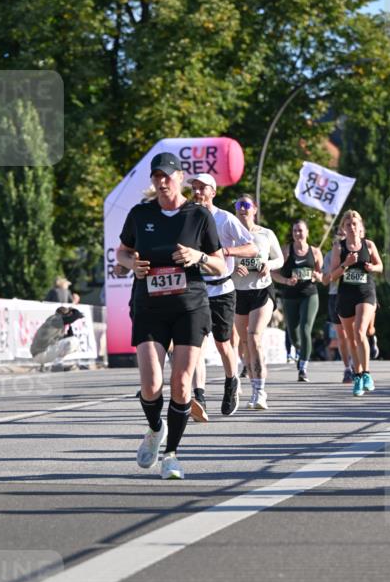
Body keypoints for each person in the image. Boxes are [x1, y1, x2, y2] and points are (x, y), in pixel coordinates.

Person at [116, 152, 226, 480]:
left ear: (180, 178)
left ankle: (172, 455)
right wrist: (130, 263)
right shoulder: (140, 214)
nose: (162, 182)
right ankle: (154, 429)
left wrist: (200, 256)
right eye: (156, 176)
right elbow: (122, 251)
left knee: (181, 384)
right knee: (150, 385)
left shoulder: (199, 216)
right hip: (149, 306)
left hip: (190, 306)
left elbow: (221, 265)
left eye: (167, 176)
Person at [189, 173, 256, 421]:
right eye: (194, 188)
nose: (197, 192)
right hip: (196, 289)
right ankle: (200, 395)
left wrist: (226, 251)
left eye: (202, 188)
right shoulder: (187, 217)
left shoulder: (225, 219)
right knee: (195, 345)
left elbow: (252, 247)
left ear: (213, 192)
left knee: (223, 345)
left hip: (222, 289)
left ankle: (231, 382)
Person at [232, 194, 284, 410]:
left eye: (246, 205)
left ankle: (260, 392)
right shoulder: (229, 234)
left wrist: (267, 265)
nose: (242, 209)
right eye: (238, 205)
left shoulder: (266, 234)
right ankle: (253, 385)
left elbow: (280, 259)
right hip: (238, 292)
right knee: (245, 344)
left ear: (254, 209)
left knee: (254, 337)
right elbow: (221, 258)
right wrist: (233, 267)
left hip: (262, 290)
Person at [328, 209, 383, 397]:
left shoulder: (368, 245)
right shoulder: (339, 248)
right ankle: (357, 376)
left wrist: (372, 267)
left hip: (365, 293)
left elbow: (380, 266)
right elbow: (330, 276)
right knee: (352, 338)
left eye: (355, 224)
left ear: (361, 227)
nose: (352, 227)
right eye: (348, 224)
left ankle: (366, 374)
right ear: (343, 227)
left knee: (360, 332)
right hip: (345, 295)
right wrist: (346, 264)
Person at [273, 220, 323, 382]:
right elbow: (273, 273)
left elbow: (321, 275)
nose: (297, 234)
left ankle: (303, 367)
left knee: (305, 328)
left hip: (309, 294)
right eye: (295, 231)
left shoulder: (315, 252)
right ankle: (302, 351)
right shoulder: (286, 250)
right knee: (294, 335)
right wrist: (286, 281)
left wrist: (317, 276)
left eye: (300, 231)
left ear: (307, 233)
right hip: (290, 296)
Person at [322, 230, 353, 383]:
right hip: (335, 295)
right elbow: (326, 279)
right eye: (337, 239)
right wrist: (343, 267)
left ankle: (357, 365)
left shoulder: (357, 251)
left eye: (343, 237)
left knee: (356, 333)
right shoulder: (328, 256)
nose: (340, 241)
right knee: (342, 335)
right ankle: (348, 368)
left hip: (354, 295)